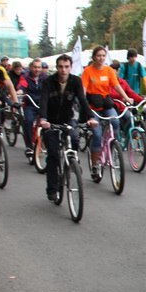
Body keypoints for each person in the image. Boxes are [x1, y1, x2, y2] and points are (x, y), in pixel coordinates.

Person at [37, 54, 97, 203]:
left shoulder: (75, 81)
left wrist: (90, 117)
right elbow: (43, 100)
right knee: (53, 155)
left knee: (75, 137)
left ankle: (73, 162)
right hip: (50, 121)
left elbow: (82, 100)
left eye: (66, 67)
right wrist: (43, 119)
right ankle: (52, 189)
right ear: (56, 68)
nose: (63, 70)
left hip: (68, 118)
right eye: (61, 67)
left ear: (70, 67)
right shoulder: (48, 82)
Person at [81, 46, 133, 180]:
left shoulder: (109, 70)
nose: (101, 58)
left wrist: (126, 98)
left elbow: (116, 86)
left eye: (103, 55)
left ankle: (113, 145)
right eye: (98, 55)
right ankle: (95, 164)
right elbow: (83, 89)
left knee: (115, 121)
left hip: (105, 103)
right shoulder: (88, 71)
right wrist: (83, 102)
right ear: (94, 57)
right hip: (93, 105)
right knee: (97, 134)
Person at [16, 58, 46, 158]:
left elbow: (51, 87)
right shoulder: (26, 77)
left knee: (50, 123)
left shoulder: (45, 78)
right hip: (30, 104)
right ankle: (29, 146)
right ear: (30, 68)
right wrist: (20, 91)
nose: (37, 69)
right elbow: (22, 86)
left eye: (39, 67)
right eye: (35, 67)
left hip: (42, 104)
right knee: (28, 121)